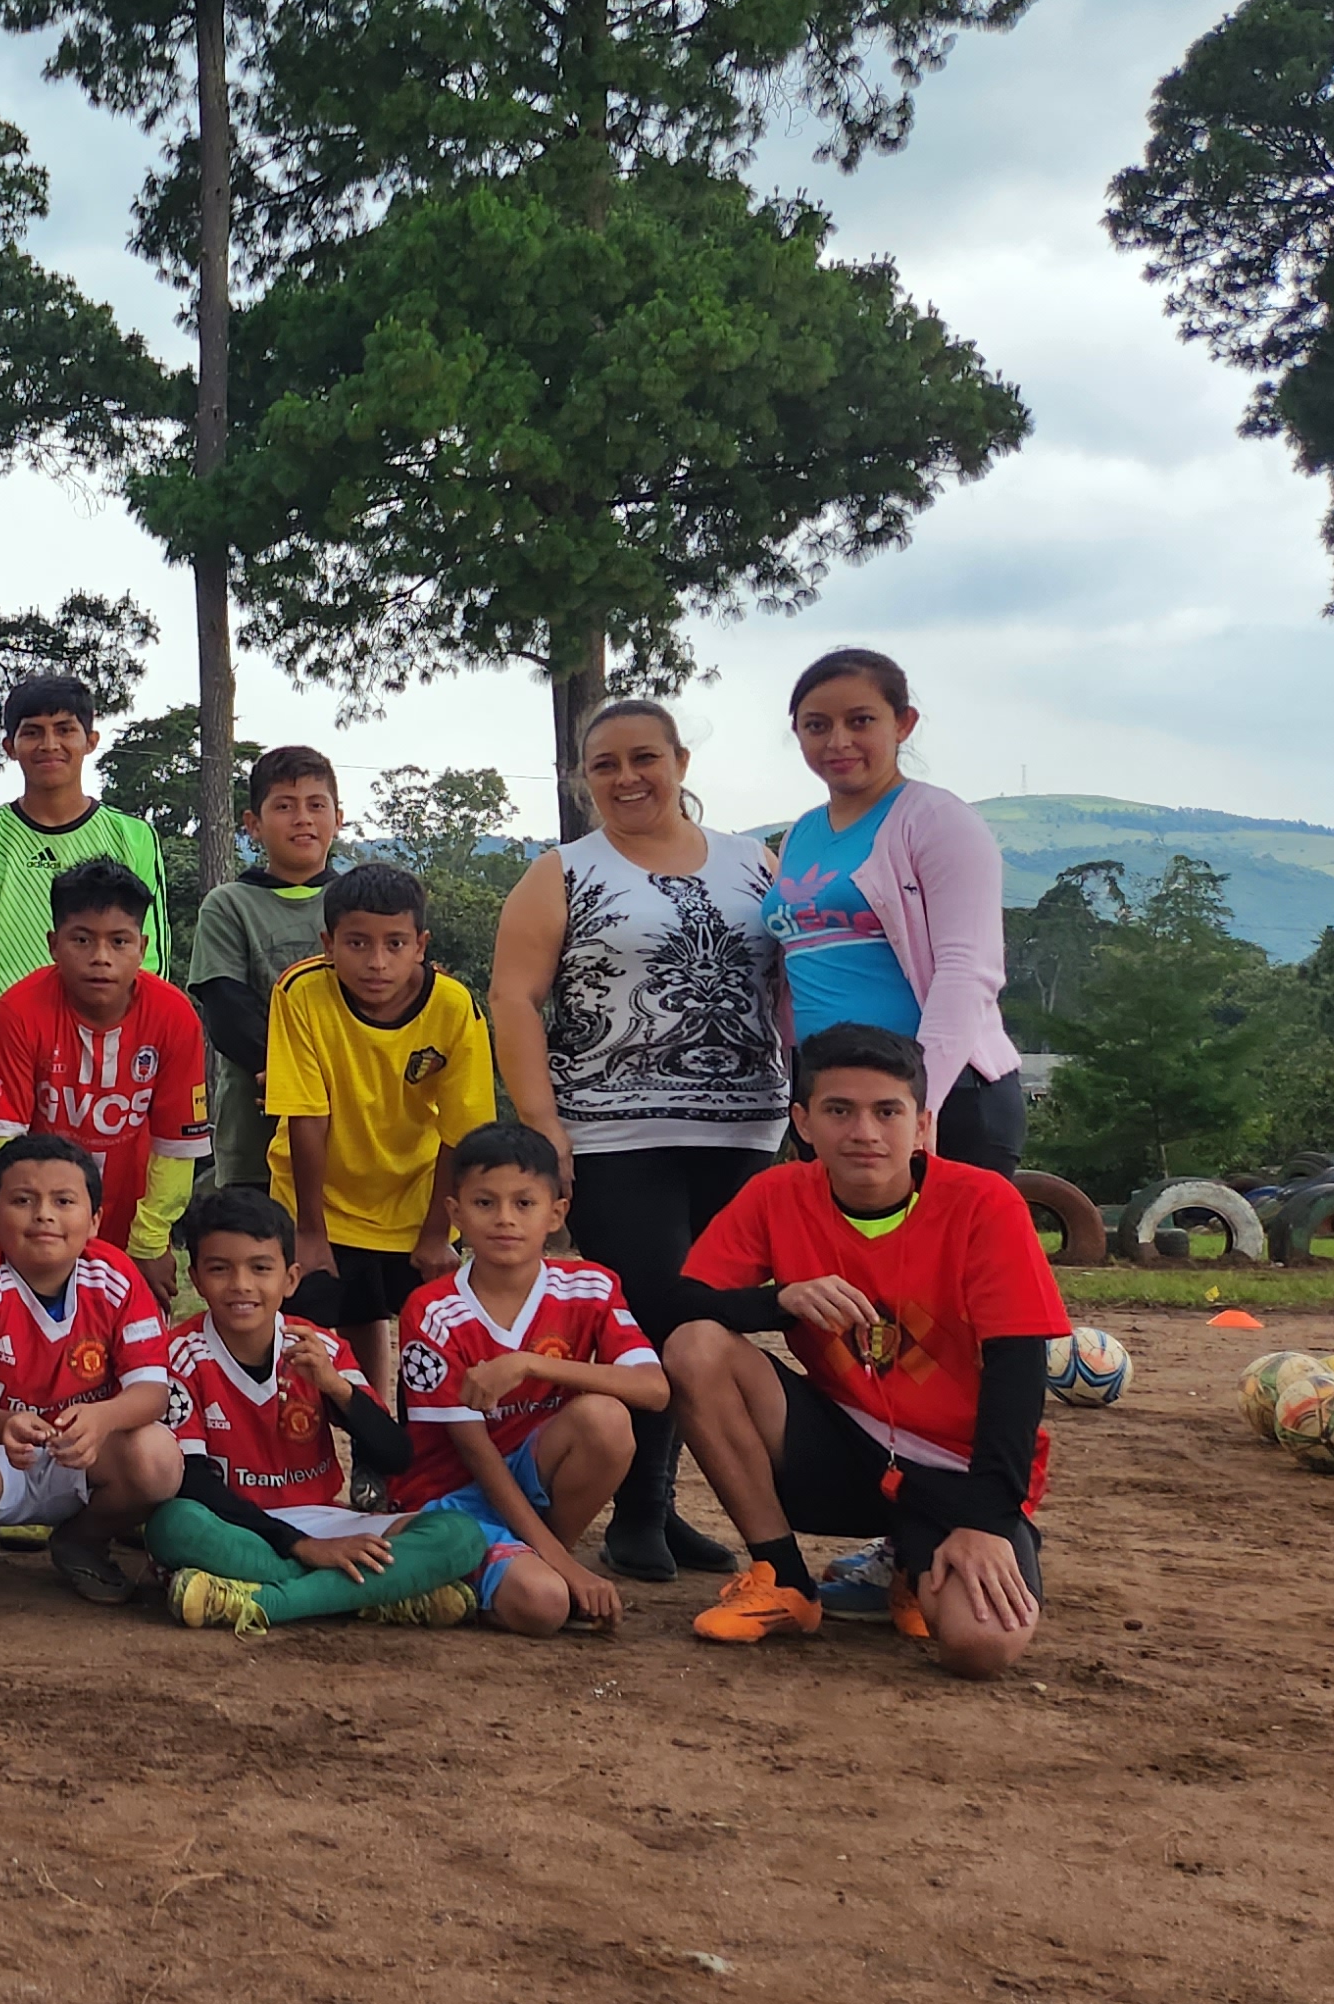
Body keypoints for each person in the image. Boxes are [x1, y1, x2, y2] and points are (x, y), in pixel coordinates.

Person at [659, 1023, 1064, 1677]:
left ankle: (908, 1566)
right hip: (840, 1446)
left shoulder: (984, 1203)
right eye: (839, 1110)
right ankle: (784, 1580)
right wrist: (780, 1301)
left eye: (887, 1112)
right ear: (803, 1122)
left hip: (957, 1470)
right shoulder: (776, 1194)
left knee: (980, 1646)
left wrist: (989, 1517)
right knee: (695, 1347)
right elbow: (681, 1304)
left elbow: (1019, 1368)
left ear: (923, 1124)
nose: (864, 1132)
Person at [487, 696, 782, 1581]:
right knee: (653, 1313)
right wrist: (542, 1121)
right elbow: (512, 999)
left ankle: (660, 1505)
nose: (627, 778)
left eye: (644, 758)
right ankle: (639, 1512)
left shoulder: (755, 864)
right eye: (605, 765)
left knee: (708, 1321)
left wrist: (808, 1100)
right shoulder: (562, 872)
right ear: (583, 780)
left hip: (747, 1129)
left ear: (681, 762)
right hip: (615, 1133)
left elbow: (788, 986)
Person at [143, 1185, 488, 1635]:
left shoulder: (319, 1346)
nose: (241, 1284)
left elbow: (396, 1455)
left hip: (323, 1517)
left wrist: (335, 1387)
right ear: (197, 1278)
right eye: (220, 1269)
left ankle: (265, 1601)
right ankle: (371, 1596)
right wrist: (302, 1547)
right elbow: (193, 1483)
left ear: (290, 1279)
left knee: (461, 1535)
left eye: (260, 1268)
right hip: (236, 1524)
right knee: (173, 1525)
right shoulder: (180, 1355)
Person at [389, 1124, 669, 1638]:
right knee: (545, 1606)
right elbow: (475, 1453)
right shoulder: (432, 1310)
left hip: (530, 1474)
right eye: (484, 1203)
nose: (504, 1219)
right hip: (449, 1498)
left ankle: (535, 1560)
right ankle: (481, 1576)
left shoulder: (591, 1286)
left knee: (606, 1419)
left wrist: (531, 1364)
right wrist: (566, 1569)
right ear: (454, 1213)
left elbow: (654, 1390)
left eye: (524, 1203)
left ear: (556, 1214)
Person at [769, 647, 1024, 1174]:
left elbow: (967, 970)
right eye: (817, 726)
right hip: (836, 1100)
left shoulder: (937, 821)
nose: (838, 741)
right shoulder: (801, 833)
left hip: (938, 1101)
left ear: (903, 724)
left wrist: (917, 1108)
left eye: (860, 721)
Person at [0, 673, 175, 1194]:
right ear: (9, 746)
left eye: (65, 729)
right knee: (3, 1207)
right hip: (2, 1064)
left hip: (109, 1077)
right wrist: (7, 1044)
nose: (49, 744)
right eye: (32, 732)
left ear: (91, 740)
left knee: (103, 1214)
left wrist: (105, 1045)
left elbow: (150, 952)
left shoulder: (133, 836)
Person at [266, 861, 492, 1396]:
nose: (377, 962)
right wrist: (310, 1233)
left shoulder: (453, 1007)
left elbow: (462, 1131)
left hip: (415, 1204)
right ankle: (348, 1436)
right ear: (328, 944)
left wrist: (437, 1234)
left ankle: (407, 1445)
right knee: (305, 1357)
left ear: (421, 946)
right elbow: (306, 1115)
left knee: (429, 1358)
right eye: (357, 943)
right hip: (319, 1205)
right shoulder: (300, 992)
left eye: (395, 944)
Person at [0, 1134, 185, 1604]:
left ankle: (82, 1540)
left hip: (84, 1453)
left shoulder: (117, 1276)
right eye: (23, 1200)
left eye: (63, 1201)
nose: (43, 1215)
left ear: (95, 1220)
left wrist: (104, 1417)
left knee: (158, 1459)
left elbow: (152, 1391)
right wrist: (5, 1424)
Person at [0, 854, 211, 1288]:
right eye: (82, 940)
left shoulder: (175, 1017)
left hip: (133, 1217)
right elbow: (4, 1144)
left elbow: (176, 1146)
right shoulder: (18, 1012)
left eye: (119, 942)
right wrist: (24, 1227)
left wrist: (149, 1242)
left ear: (142, 948)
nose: (101, 958)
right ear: (53, 944)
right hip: (41, 1219)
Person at [185, 746, 342, 1195]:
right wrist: (294, 1081)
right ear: (253, 824)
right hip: (254, 1138)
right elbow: (227, 1011)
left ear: (338, 818)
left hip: (354, 1138)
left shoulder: (362, 903)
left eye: (316, 805)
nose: (303, 819)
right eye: (285, 807)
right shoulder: (229, 904)